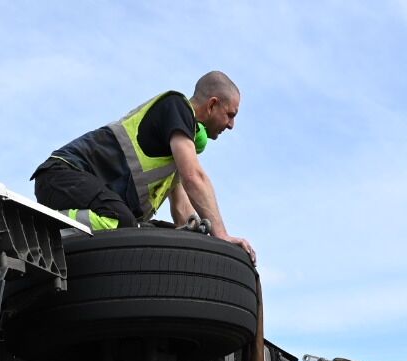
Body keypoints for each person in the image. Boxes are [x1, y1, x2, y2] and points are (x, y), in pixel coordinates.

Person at [31, 72, 255, 262]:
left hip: (90, 198)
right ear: (212, 104)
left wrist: (203, 244)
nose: (231, 125)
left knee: (155, 234)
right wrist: (221, 234)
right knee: (123, 223)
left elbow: (182, 214)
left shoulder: (173, 154)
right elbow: (194, 177)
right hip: (60, 175)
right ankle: (45, 230)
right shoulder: (176, 106)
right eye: (230, 115)